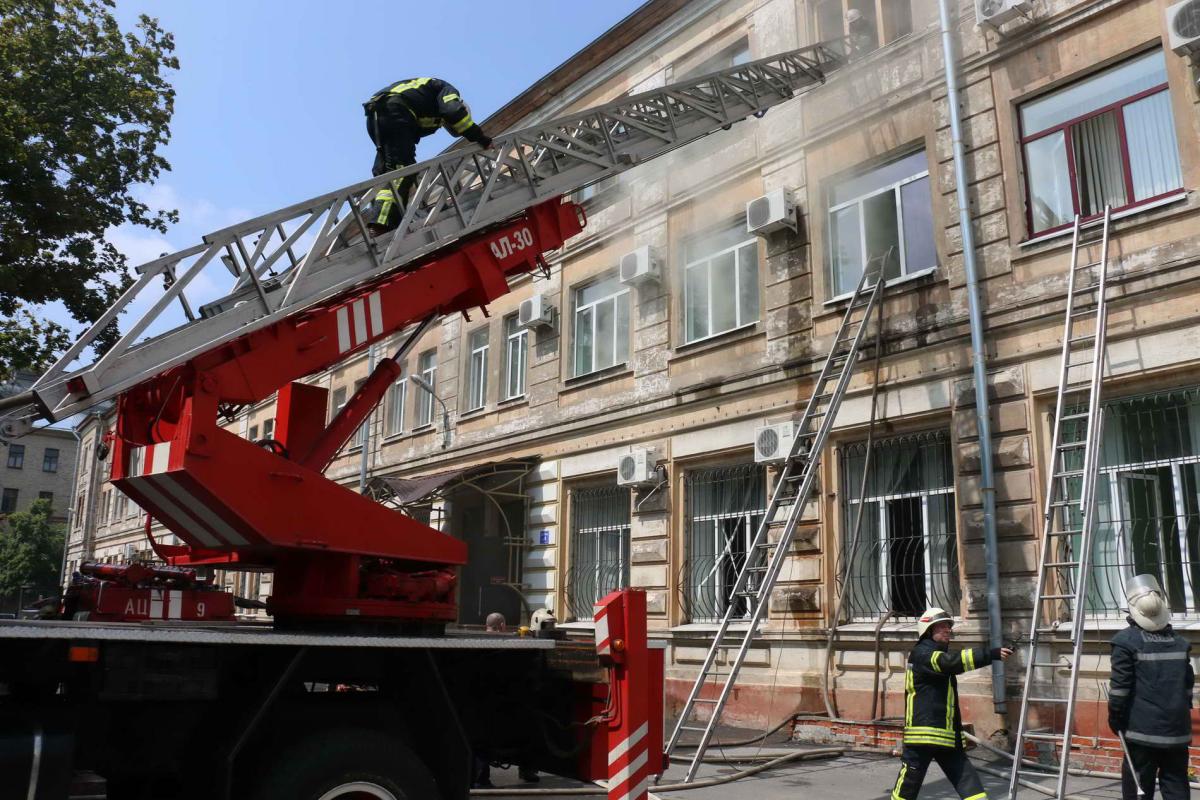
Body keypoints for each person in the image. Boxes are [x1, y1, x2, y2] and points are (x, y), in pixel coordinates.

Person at [889, 607, 1012, 800]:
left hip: (946, 736)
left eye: (949, 626)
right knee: (909, 785)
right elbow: (951, 662)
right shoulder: (922, 654)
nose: (948, 630)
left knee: (967, 780)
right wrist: (991, 654)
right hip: (923, 734)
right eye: (942, 626)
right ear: (928, 630)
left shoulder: (934, 654)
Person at [363, 78, 493, 234]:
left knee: (386, 171)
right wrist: (482, 139)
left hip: (376, 114)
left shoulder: (425, 98)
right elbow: (453, 113)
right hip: (395, 110)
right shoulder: (447, 91)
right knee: (402, 170)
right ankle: (382, 224)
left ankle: (384, 221)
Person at [1108, 574, 1193, 800]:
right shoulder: (1181, 643)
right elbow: (1187, 686)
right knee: (1176, 786)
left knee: (1138, 789)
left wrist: (1115, 718)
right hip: (1177, 730)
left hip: (1141, 732)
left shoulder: (1125, 642)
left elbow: (1120, 689)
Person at [473, 611, 539, 787]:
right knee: (527, 730)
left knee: (479, 740)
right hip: (501, 701)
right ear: (502, 625)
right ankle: (526, 769)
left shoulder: (475, 642)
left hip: (478, 699)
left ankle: (479, 778)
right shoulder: (506, 643)